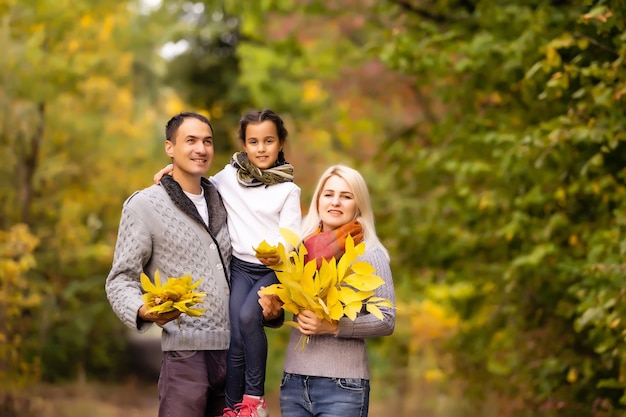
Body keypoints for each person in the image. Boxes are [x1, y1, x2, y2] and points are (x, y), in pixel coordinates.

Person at [154, 109, 302, 417]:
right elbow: (197, 180)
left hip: (272, 269)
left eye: (269, 141)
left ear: (281, 143)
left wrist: (278, 253)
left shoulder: (288, 189)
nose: (261, 148)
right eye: (253, 141)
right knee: (235, 334)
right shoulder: (229, 177)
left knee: (250, 318)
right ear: (244, 144)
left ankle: (254, 399)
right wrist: (169, 173)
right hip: (241, 269)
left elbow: (292, 238)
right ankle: (234, 408)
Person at [105, 112, 232, 417]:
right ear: (169, 147)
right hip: (184, 353)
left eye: (207, 141)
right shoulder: (144, 206)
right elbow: (121, 279)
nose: (200, 149)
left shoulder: (227, 198)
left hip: (235, 352)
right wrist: (142, 310)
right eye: (190, 141)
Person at [258, 164, 396, 417]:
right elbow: (291, 312)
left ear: (358, 204)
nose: (335, 202)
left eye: (346, 196)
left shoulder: (369, 252)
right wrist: (274, 312)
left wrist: (333, 326)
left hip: (343, 387)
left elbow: (387, 320)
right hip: (294, 382)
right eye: (328, 194)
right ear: (318, 199)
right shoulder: (298, 248)